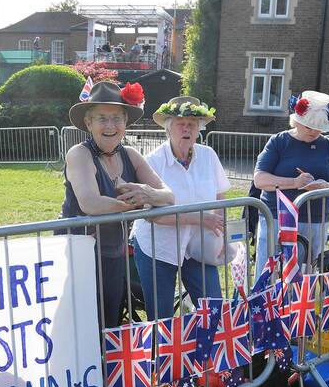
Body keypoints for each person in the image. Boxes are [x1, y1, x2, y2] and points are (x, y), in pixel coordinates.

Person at [59, 81, 174, 328]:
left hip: (113, 255)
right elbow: (91, 203)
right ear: (88, 123)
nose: (110, 126)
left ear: (125, 123)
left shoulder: (131, 155)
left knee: (109, 322)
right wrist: (141, 204)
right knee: (79, 327)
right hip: (77, 256)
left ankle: (106, 366)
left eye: (116, 118)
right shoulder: (79, 154)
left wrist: (146, 192)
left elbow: (168, 195)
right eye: (102, 118)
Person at [132, 97, 228, 320]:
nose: (186, 128)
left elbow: (220, 197)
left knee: (214, 307)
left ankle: (205, 354)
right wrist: (201, 219)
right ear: (168, 128)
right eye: (180, 123)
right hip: (157, 247)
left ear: (199, 129)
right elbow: (153, 216)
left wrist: (221, 236)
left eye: (192, 124)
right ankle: (163, 355)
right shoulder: (152, 162)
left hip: (198, 246)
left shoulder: (208, 156)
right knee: (161, 316)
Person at [253, 91, 329, 277]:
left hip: (316, 220)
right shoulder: (279, 141)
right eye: (309, 127)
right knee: (270, 272)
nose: (314, 132)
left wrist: (324, 186)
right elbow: (260, 179)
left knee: (308, 274)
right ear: (296, 121)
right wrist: (294, 183)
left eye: (319, 128)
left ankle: (301, 306)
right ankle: (269, 305)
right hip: (278, 218)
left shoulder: (328, 145)